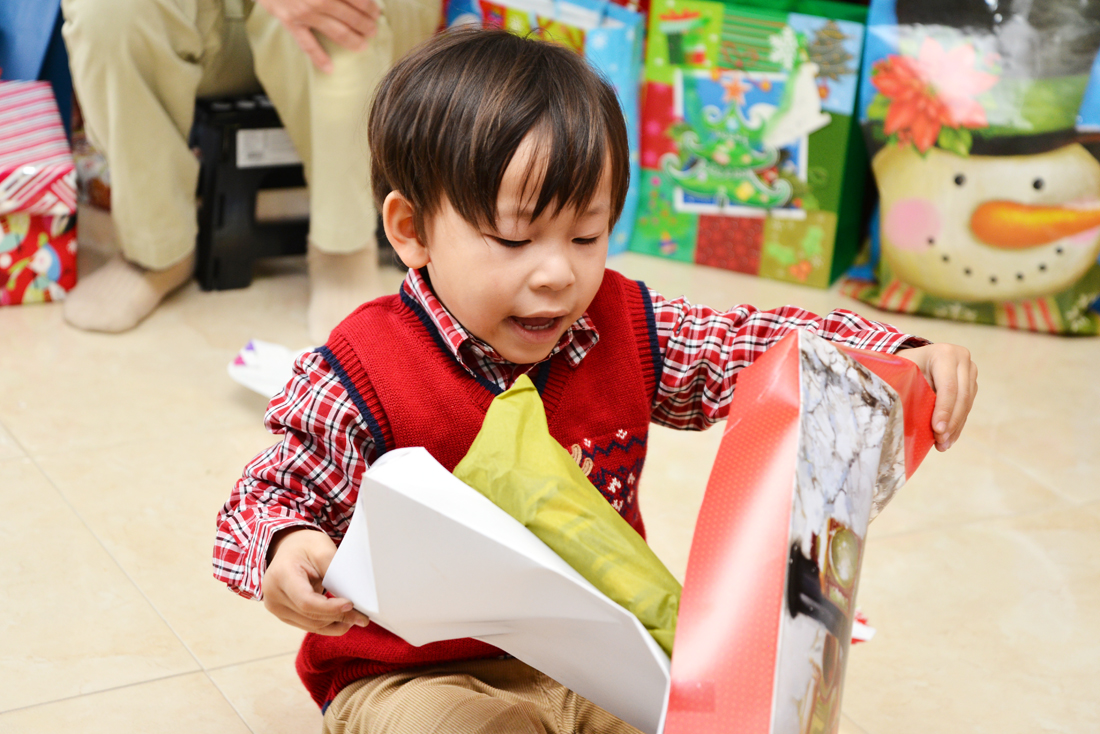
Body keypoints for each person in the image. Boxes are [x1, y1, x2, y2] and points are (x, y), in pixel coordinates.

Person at [213, 28, 978, 734]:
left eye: (586, 235)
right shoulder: (360, 369)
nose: (558, 274)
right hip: (418, 672)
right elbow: (268, 492)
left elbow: (750, 344)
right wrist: (288, 549)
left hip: (600, 657)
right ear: (411, 230)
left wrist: (891, 347)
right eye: (514, 239)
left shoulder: (622, 323)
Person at [60, 0, 440, 341]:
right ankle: (156, 249)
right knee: (107, 10)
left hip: (362, 23)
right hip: (213, 27)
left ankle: (344, 252)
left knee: (337, 10)